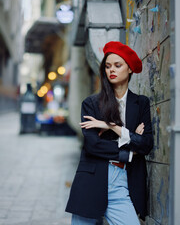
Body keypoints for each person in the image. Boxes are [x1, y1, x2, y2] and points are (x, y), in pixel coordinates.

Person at [65, 41, 154, 225]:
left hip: (123, 180)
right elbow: (92, 145)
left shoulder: (141, 103)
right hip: (93, 177)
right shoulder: (91, 103)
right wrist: (130, 147)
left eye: (117, 65)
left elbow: (146, 145)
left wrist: (113, 127)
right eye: (107, 66)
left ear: (129, 69)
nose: (111, 70)